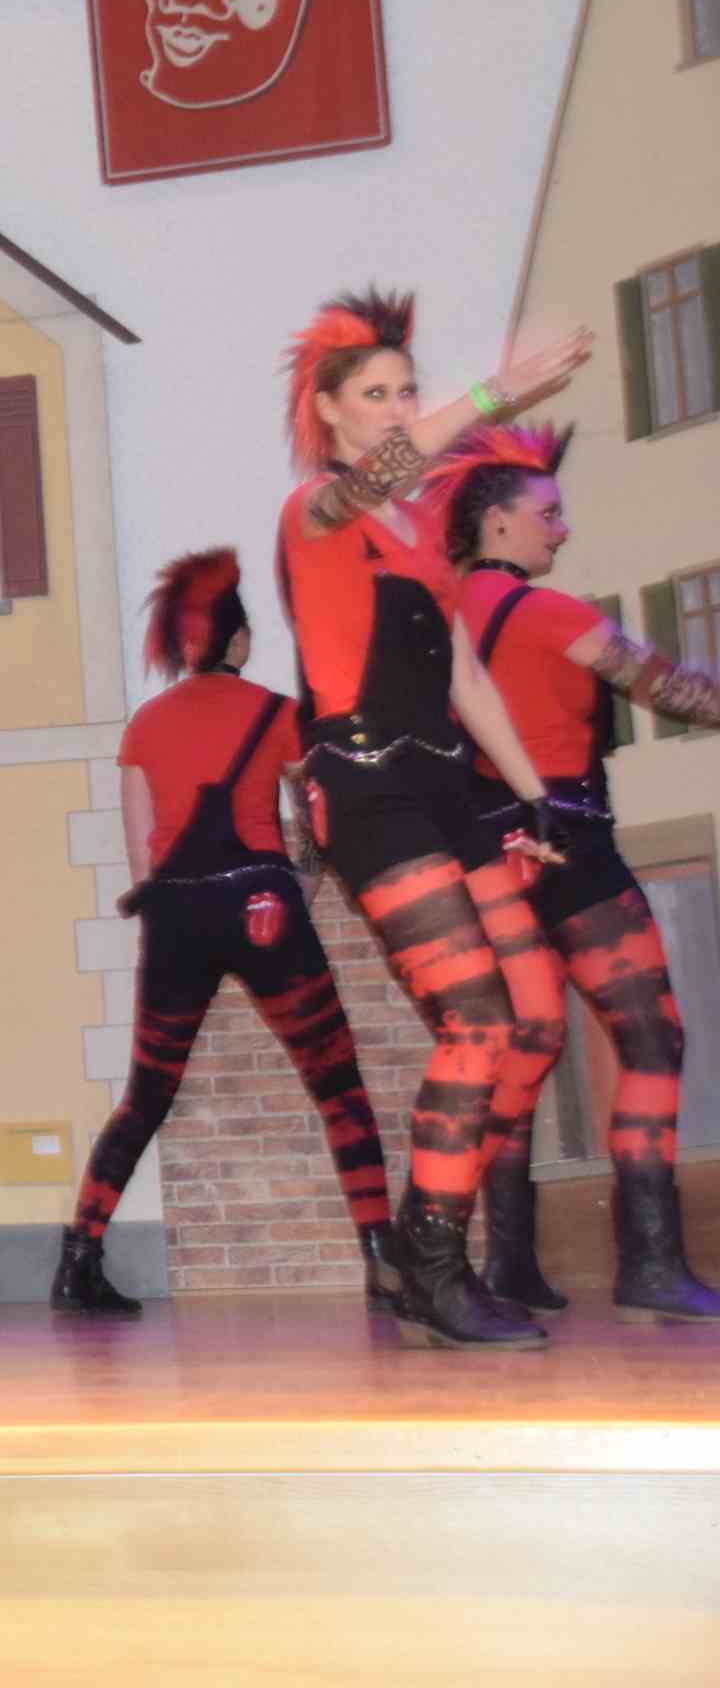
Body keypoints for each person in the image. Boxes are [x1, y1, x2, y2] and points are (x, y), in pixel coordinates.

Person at [272, 290, 593, 1350]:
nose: (399, 407)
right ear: (328, 411)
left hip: (450, 784)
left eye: (408, 390)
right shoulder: (317, 508)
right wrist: (502, 390)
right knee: (476, 1018)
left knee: (531, 1015)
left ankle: (424, 1249)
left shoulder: (419, 538)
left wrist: (535, 794)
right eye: (376, 393)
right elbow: (376, 477)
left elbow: (462, 674)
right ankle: (435, 1266)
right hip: (368, 785)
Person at [428, 423, 720, 1323]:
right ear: (497, 522)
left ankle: (508, 1263)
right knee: (653, 1039)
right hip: (568, 843)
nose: (562, 529)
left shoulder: (442, 617)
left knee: (524, 1047)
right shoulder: (549, 614)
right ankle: (651, 1264)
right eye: (548, 514)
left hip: (485, 854)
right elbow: (675, 690)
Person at [55, 548, 393, 1316]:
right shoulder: (278, 714)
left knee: (146, 1095)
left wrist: (174, 908)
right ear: (237, 641)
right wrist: (305, 880)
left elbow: (141, 857)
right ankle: (382, 1255)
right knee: (336, 1081)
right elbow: (322, 812)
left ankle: (79, 1260)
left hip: (176, 918)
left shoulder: (145, 725)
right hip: (261, 903)